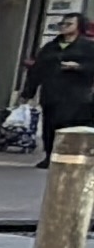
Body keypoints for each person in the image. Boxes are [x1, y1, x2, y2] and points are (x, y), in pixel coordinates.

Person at [27, 15, 94, 163]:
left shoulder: (88, 47)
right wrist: (29, 91)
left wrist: (79, 67)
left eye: (69, 24)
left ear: (79, 26)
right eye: (62, 24)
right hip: (51, 93)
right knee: (50, 126)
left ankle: (70, 156)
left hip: (76, 95)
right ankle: (50, 156)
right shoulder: (51, 47)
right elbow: (37, 69)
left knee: (70, 126)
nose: (64, 26)